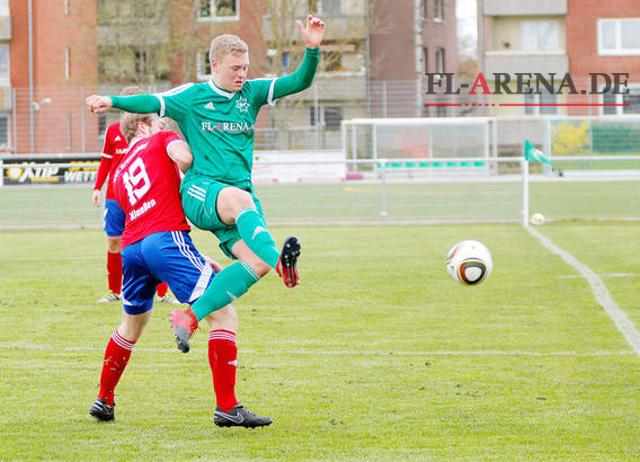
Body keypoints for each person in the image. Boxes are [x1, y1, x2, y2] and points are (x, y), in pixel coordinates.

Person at [86, 15, 326, 352]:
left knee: (254, 262)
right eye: (235, 68)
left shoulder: (252, 93)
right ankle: (281, 265)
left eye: (245, 67)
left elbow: (299, 81)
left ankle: (191, 317)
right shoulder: (193, 96)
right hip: (201, 192)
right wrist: (112, 101)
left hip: (236, 199)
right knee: (244, 208)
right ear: (214, 64)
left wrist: (312, 49)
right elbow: (152, 102)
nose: (242, 74)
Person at [89, 112, 272, 428]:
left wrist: (194, 256)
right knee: (223, 313)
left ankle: (104, 398)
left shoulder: (118, 175)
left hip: (133, 251)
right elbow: (186, 159)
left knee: (130, 327)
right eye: (157, 121)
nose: (163, 125)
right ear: (143, 125)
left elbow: (124, 225)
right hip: (166, 242)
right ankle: (227, 407)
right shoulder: (161, 139)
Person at [92, 86, 177, 304]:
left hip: (143, 195)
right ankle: (114, 291)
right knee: (114, 241)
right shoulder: (112, 131)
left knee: (152, 239)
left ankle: (162, 293)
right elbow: (106, 162)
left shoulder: (150, 130)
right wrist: (97, 188)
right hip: (115, 195)